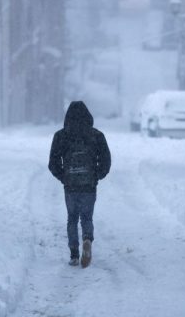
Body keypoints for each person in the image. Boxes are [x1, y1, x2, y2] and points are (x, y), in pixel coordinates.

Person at [48, 101, 111, 268]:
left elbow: (52, 163)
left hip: (70, 186)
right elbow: (106, 161)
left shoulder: (61, 136)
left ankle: (74, 254)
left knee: (72, 218)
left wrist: (64, 177)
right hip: (89, 185)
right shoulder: (96, 135)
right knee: (86, 217)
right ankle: (87, 239)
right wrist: (96, 175)